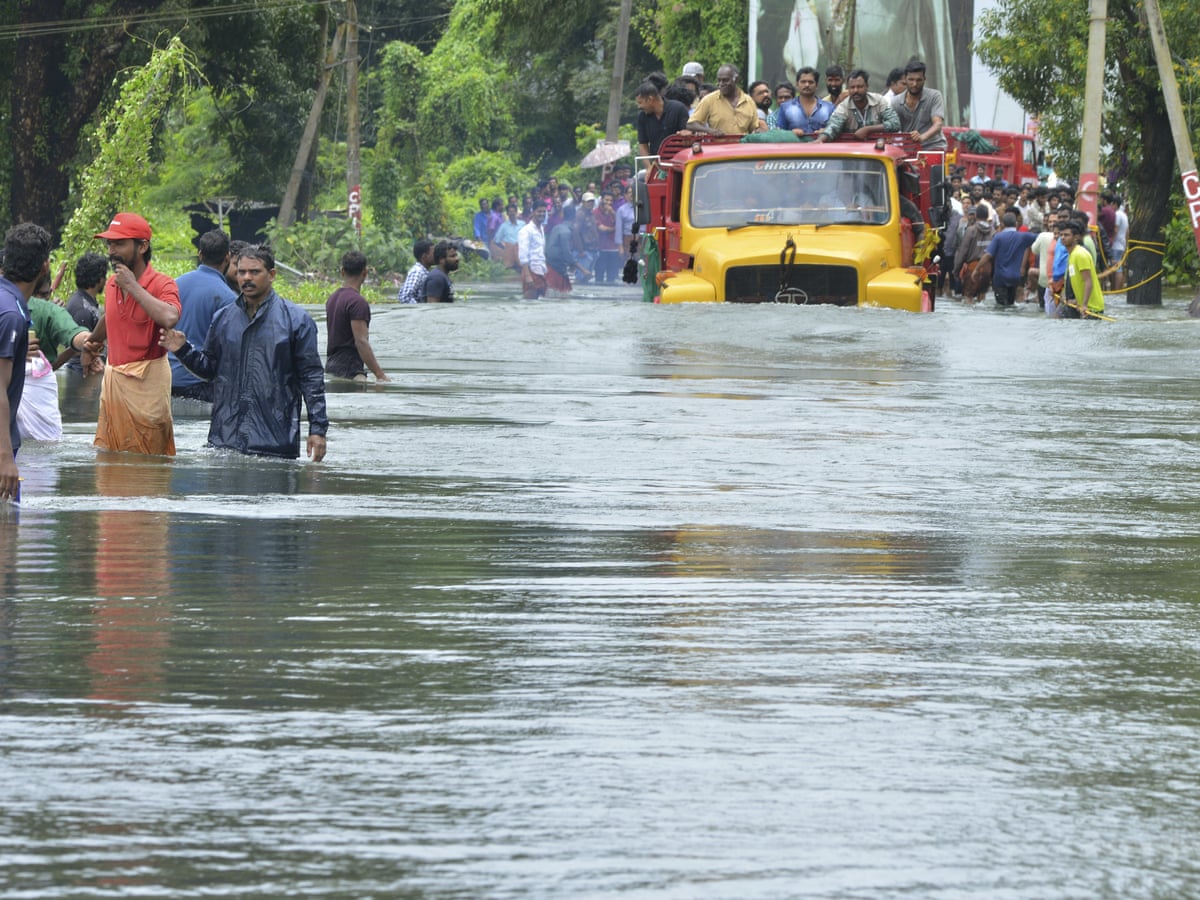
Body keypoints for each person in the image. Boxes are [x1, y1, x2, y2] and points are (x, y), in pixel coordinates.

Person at [159, 245, 328, 460]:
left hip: (274, 443)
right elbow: (210, 370)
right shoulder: (223, 318)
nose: (246, 278)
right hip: (224, 441)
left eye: (255, 272)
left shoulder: (296, 321)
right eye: (241, 272)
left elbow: (311, 378)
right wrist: (183, 350)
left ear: (272, 275)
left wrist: (318, 429)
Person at [87, 212, 181, 456]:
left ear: (143, 247)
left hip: (148, 393)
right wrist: (92, 342)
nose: (111, 250)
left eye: (119, 243)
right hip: (114, 390)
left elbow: (170, 317)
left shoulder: (163, 283)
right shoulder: (111, 284)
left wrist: (132, 286)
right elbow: (111, 316)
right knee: (110, 464)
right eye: (109, 244)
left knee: (148, 467)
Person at [0, 223, 52, 502]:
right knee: (7, 537)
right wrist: (5, 457)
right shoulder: (11, 313)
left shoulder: (8, 302)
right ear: (44, 267)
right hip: (1, 450)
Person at [171, 229, 237, 402]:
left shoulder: (175, 284)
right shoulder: (228, 298)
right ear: (228, 257)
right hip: (198, 383)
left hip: (165, 379)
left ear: (200, 254)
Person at [325, 250, 389, 382]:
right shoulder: (358, 302)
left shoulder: (332, 298)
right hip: (351, 370)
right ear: (365, 273)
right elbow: (361, 341)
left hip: (331, 366)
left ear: (342, 271)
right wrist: (380, 375)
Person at [817, 69, 900, 141]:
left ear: (867, 86)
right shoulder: (844, 106)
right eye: (852, 87)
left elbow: (895, 123)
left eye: (859, 87)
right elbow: (833, 126)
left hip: (877, 149)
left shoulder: (879, 100)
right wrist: (820, 140)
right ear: (848, 89)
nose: (855, 90)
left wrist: (868, 129)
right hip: (853, 152)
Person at [977, 212, 1038, 307]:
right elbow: (1040, 237)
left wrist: (976, 269)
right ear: (1016, 224)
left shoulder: (998, 237)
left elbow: (988, 255)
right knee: (1011, 305)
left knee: (1001, 307)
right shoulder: (1023, 236)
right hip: (1015, 277)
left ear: (1002, 224)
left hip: (1000, 278)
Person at [686, 64, 764, 136]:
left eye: (725, 80)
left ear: (736, 79)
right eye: (719, 80)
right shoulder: (709, 100)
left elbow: (754, 128)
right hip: (719, 149)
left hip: (742, 149)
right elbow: (690, 124)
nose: (721, 84)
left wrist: (758, 130)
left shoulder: (749, 101)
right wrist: (710, 130)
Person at [64, 252, 108, 373]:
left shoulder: (86, 302)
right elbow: (79, 351)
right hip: (82, 372)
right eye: (104, 276)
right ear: (99, 279)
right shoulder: (82, 309)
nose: (106, 280)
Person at [892, 60, 946, 150]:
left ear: (925, 79)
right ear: (905, 79)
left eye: (919, 80)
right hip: (909, 149)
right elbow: (892, 128)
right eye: (911, 80)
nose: (915, 84)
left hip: (933, 147)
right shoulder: (896, 102)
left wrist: (921, 137)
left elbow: (938, 123)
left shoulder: (934, 96)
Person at [1060, 219, 1105, 318]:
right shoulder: (1072, 254)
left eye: (1066, 235)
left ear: (1076, 237)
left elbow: (1088, 281)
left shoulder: (1080, 254)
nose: (1063, 238)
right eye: (1061, 235)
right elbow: (1075, 281)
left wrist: (1084, 305)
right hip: (1081, 307)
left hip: (1091, 309)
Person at [635, 80, 691, 160]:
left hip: (679, 162)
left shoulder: (678, 109)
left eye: (640, 102)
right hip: (657, 164)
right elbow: (643, 144)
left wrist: (686, 134)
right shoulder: (642, 116)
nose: (639, 107)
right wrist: (649, 168)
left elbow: (687, 133)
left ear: (650, 99)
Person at [777, 67, 833, 137]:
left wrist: (826, 131)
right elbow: (778, 133)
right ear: (797, 84)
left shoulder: (829, 107)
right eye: (803, 82)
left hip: (822, 146)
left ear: (816, 85)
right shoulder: (785, 107)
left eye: (811, 82)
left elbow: (836, 129)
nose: (807, 85)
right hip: (794, 147)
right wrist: (790, 133)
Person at [518, 205, 549, 299]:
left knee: (539, 304)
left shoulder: (541, 229)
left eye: (544, 212)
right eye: (539, 211)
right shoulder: (526, 230)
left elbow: (541, 252)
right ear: (533, 212)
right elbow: (523, 255)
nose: (542, 214)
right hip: (531, 271)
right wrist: (527, 276)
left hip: (541, 270)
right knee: (529, 302)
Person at [545, 206, 577, 293]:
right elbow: (566, 251)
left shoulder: (557, 227)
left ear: (562, 215)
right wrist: (572, 263)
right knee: (561, 292)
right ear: (575, 217)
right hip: (558, 267)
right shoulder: (566, 232)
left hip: (549, 263)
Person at [572, 192, 600, 282]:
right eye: (588, 201)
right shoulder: (580, 214)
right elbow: (575, 232)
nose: (590, 203)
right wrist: (580, 250)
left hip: (592, 249)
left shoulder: (591, 214)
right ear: (583, 202)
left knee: (587, 276)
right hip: (584, 250)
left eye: (592, 201)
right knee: (581, 277)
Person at [397, 239, 434, 304]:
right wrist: (421, 309)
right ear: (424, 256)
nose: (436, 255)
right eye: (433, 253)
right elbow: (405, 297)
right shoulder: (417, 272)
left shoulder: (424, 272)